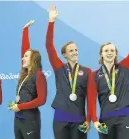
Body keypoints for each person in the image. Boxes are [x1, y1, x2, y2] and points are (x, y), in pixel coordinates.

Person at [88, 10, 129, 139]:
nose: (109, 52)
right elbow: (92, 99)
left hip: (125, 117)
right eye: (106, 50)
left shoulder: (124, 67)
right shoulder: (94, 75)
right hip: (105, 120)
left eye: (112, 50)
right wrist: (94, 120)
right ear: (101, 54)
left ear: (116, 54)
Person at [46, 5, 91, 139]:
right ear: (64, 54)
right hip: (60, 119)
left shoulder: (87, 71)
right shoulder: (59, 68)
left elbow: (90, 97)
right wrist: (51, 22)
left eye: (76, 50)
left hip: (79, 119)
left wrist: (88, 119)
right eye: (71, 50)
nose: (75, 52)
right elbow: (49, 46)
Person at [8, 20, 47, 139]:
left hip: (30, 120)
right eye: (23, 56)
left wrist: (20, 106)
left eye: (26, 57)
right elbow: (24, 49)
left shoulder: (39, 75)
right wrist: (25, 31)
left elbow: (41, 100)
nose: (23, 58)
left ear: (33, 60)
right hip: (18, 119)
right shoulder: (24, 73)